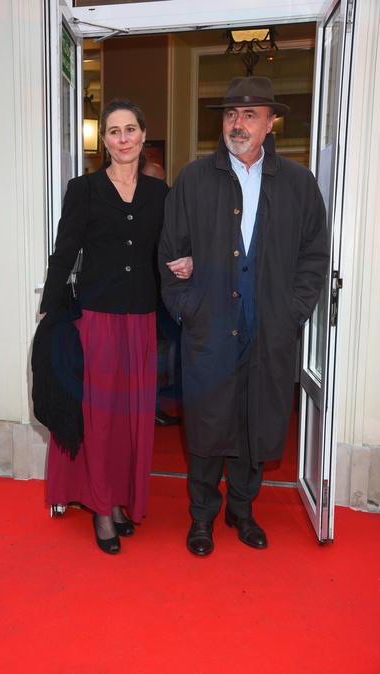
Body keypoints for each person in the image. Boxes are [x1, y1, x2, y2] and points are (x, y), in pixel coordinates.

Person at [158, 76, 329, 556]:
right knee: (208, 424)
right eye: (232, 114)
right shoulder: (194, 179)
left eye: (250, 115)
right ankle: (202, 517)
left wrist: (293, 312)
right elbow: (170, 253)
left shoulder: (297, 183)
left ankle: (242, 509)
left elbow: (314, 255)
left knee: (257, 423)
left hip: (269, 328)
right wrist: (189, 310)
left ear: (270, 123)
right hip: (210, 328)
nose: (238, 123)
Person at [36, 98, 190, 554]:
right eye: (114, 131)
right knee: (100, 419)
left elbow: (169, 250)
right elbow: (65, 252)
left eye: (130, 130)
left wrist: (188, 262)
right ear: (104, 141)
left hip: (141, 322)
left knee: (132, 420)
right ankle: (102, 508)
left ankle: (121, 500)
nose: (123, 139)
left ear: (143, 136)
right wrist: (49, 309)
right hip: (96, 322)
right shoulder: (83, 189)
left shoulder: (161, 194)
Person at [141, 159, 183, 427]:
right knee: (157, 348)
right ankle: (149, 408)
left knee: (162, 346)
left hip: (161, 294)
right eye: (156, 182)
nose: (162, 189)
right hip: (143, 295)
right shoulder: (140, 210)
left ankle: (150, 405)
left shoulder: (167, 209)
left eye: (163, 183)